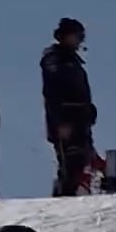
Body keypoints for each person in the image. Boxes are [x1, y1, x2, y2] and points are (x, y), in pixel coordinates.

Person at [40, 18, 97, 197]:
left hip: (80, 119)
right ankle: (62, 198)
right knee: (70, 164)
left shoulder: (74, 62)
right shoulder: (54, 59)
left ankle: (72, 196)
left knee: (81, 160)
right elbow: (53, 92)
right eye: (75, 35)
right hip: (65, 119)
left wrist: (89, 111)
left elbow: (81, 91)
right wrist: (60, 121)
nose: (79, 40)